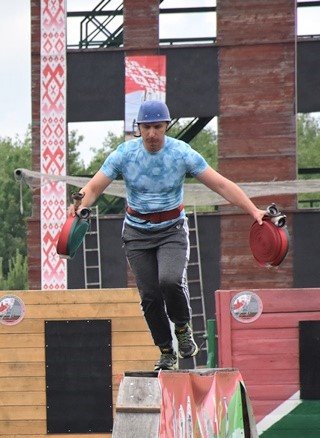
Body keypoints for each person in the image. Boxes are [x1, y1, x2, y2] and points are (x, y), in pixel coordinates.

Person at [71, 100, 266, 371]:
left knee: (170, 280)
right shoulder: (124, 154)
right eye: (146, 127)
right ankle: (166, 350)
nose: (152, 134)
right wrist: (79, 204)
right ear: (138, 128)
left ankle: (183, 328)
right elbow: (93, 188)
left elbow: (221, 184)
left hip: (172, 230)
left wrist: (253, 210)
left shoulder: (181, 153)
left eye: (158, 127)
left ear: (167, 126)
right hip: (137, 233)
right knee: (149, 295)